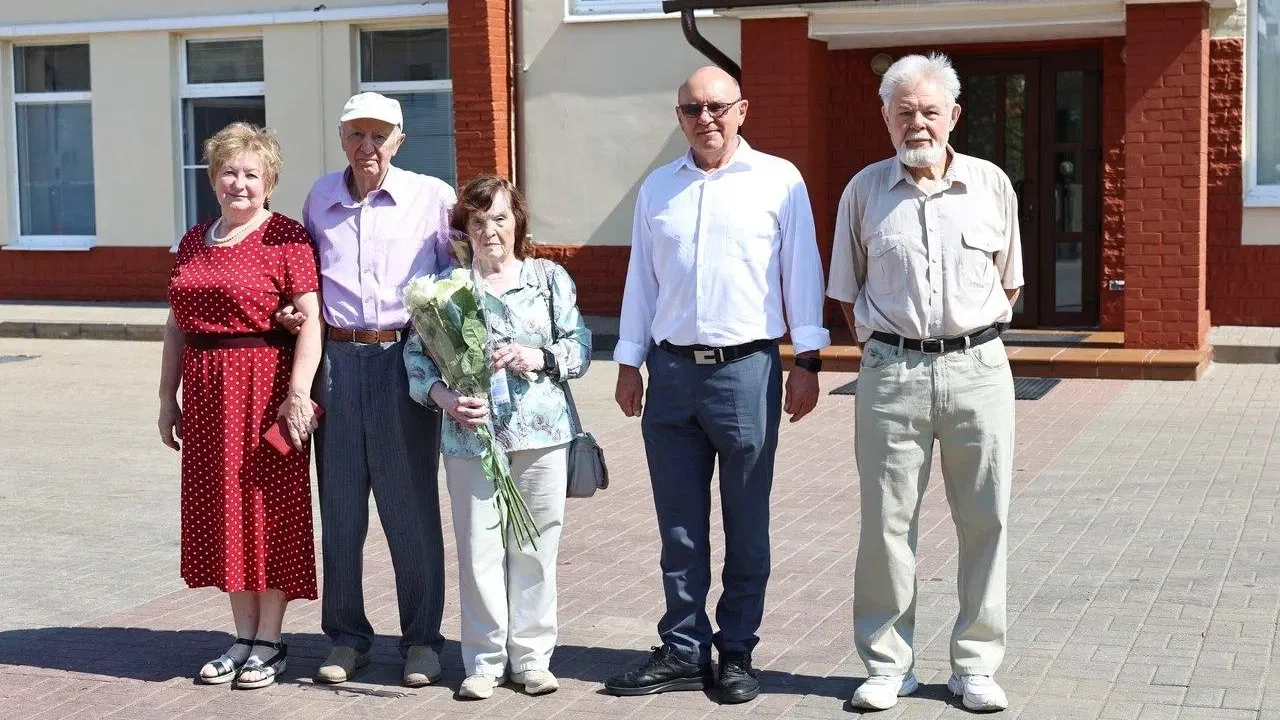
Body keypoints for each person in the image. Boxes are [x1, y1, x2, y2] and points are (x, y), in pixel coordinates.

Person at [604, 66, 831, 705]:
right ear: (678, 117)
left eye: (716, 107)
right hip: (670, 371)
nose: (705, 118)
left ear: (742, 110)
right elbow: (641, 282)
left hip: (746, 371)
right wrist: (627, 361)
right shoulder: (657, 189)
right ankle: (681, 648)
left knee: (745, 518)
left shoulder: (778, 181)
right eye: (691, 109)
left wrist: (807, 360)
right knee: (678, 526)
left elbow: (801, 271)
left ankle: (735, 651)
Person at [827, 53, 1023, 713]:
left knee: (986, 519)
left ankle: (975, 664)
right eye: (904, 111)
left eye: (930, 111)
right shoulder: (863, 192)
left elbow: (1010, 281)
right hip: (891, 375)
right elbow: (846, 292)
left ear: (954, 117)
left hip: (980, 370)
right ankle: (888, 664)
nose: (918, 123)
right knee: (886, 524)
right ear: (885, 117)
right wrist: (890, 349)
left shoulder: (992, 185)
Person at [405, 174, 592, 700]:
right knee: (479, 550)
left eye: (501, 218)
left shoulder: (549, 279)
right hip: (470, 438)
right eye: (479, 220)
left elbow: (578, 346)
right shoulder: (446, 290)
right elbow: (416, 362)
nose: (491, 230)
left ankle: (531, 658)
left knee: (533, 549)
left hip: (540, 434)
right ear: (464, 227)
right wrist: (446, 398)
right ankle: (484, 661)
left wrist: (540, 357)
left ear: (518, 223)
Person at [158, 122, 323, 690]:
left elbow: (312, 323)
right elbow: (177, 324)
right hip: (205, 398)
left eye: (252, 174)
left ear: (270, 182)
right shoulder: (193, 240)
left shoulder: (286, 237)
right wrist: (165, 395)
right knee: (223, 512)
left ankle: (272, 641)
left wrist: (298, 393)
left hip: (263, 394)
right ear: (212, 179)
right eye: (229, 172)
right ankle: (241, 637)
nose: (239, 183)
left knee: (266, 509)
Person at [301, 92, 454, 687]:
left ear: (398, 140)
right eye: (356, 134)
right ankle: (346, 637)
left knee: (409, 506)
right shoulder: (320, 196)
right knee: (339, 508)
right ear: (342, 137)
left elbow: (457, 279)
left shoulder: (431, 196)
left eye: (379, 135)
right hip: (335, 360)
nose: (367, 147)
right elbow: (303, 278)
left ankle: (421, 640)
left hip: (404, 361)